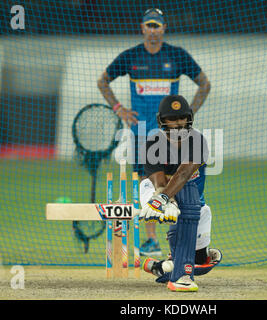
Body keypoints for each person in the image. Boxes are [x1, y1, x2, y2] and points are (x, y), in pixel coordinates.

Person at [97, 8, 211, 256]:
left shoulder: (177, 56)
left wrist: (188, 115)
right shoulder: (130, 56)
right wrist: (119, 109)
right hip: (142, 133)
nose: (152, 30)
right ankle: (151, 240)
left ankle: (180, 236)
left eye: (156, 25)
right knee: (146, 182)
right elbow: (102, 80)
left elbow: (205, 83)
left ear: (163, 28)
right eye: (149, 25)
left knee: (180, 178)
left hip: (173, 136)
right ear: (142, 28)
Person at [139, 94, 221, 292]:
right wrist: (165, 199)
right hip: (161, 196)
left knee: (201, 263)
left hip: (194, 205)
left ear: (189, 118)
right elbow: (158, 180)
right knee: (146, 187)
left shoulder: (198, 140)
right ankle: (178, 271)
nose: (177, 123)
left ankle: (161, 267)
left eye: (182, 118)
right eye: (172, 119)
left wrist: (166, 198)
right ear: (162, 120)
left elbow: (184, 173)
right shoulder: (152, 144)